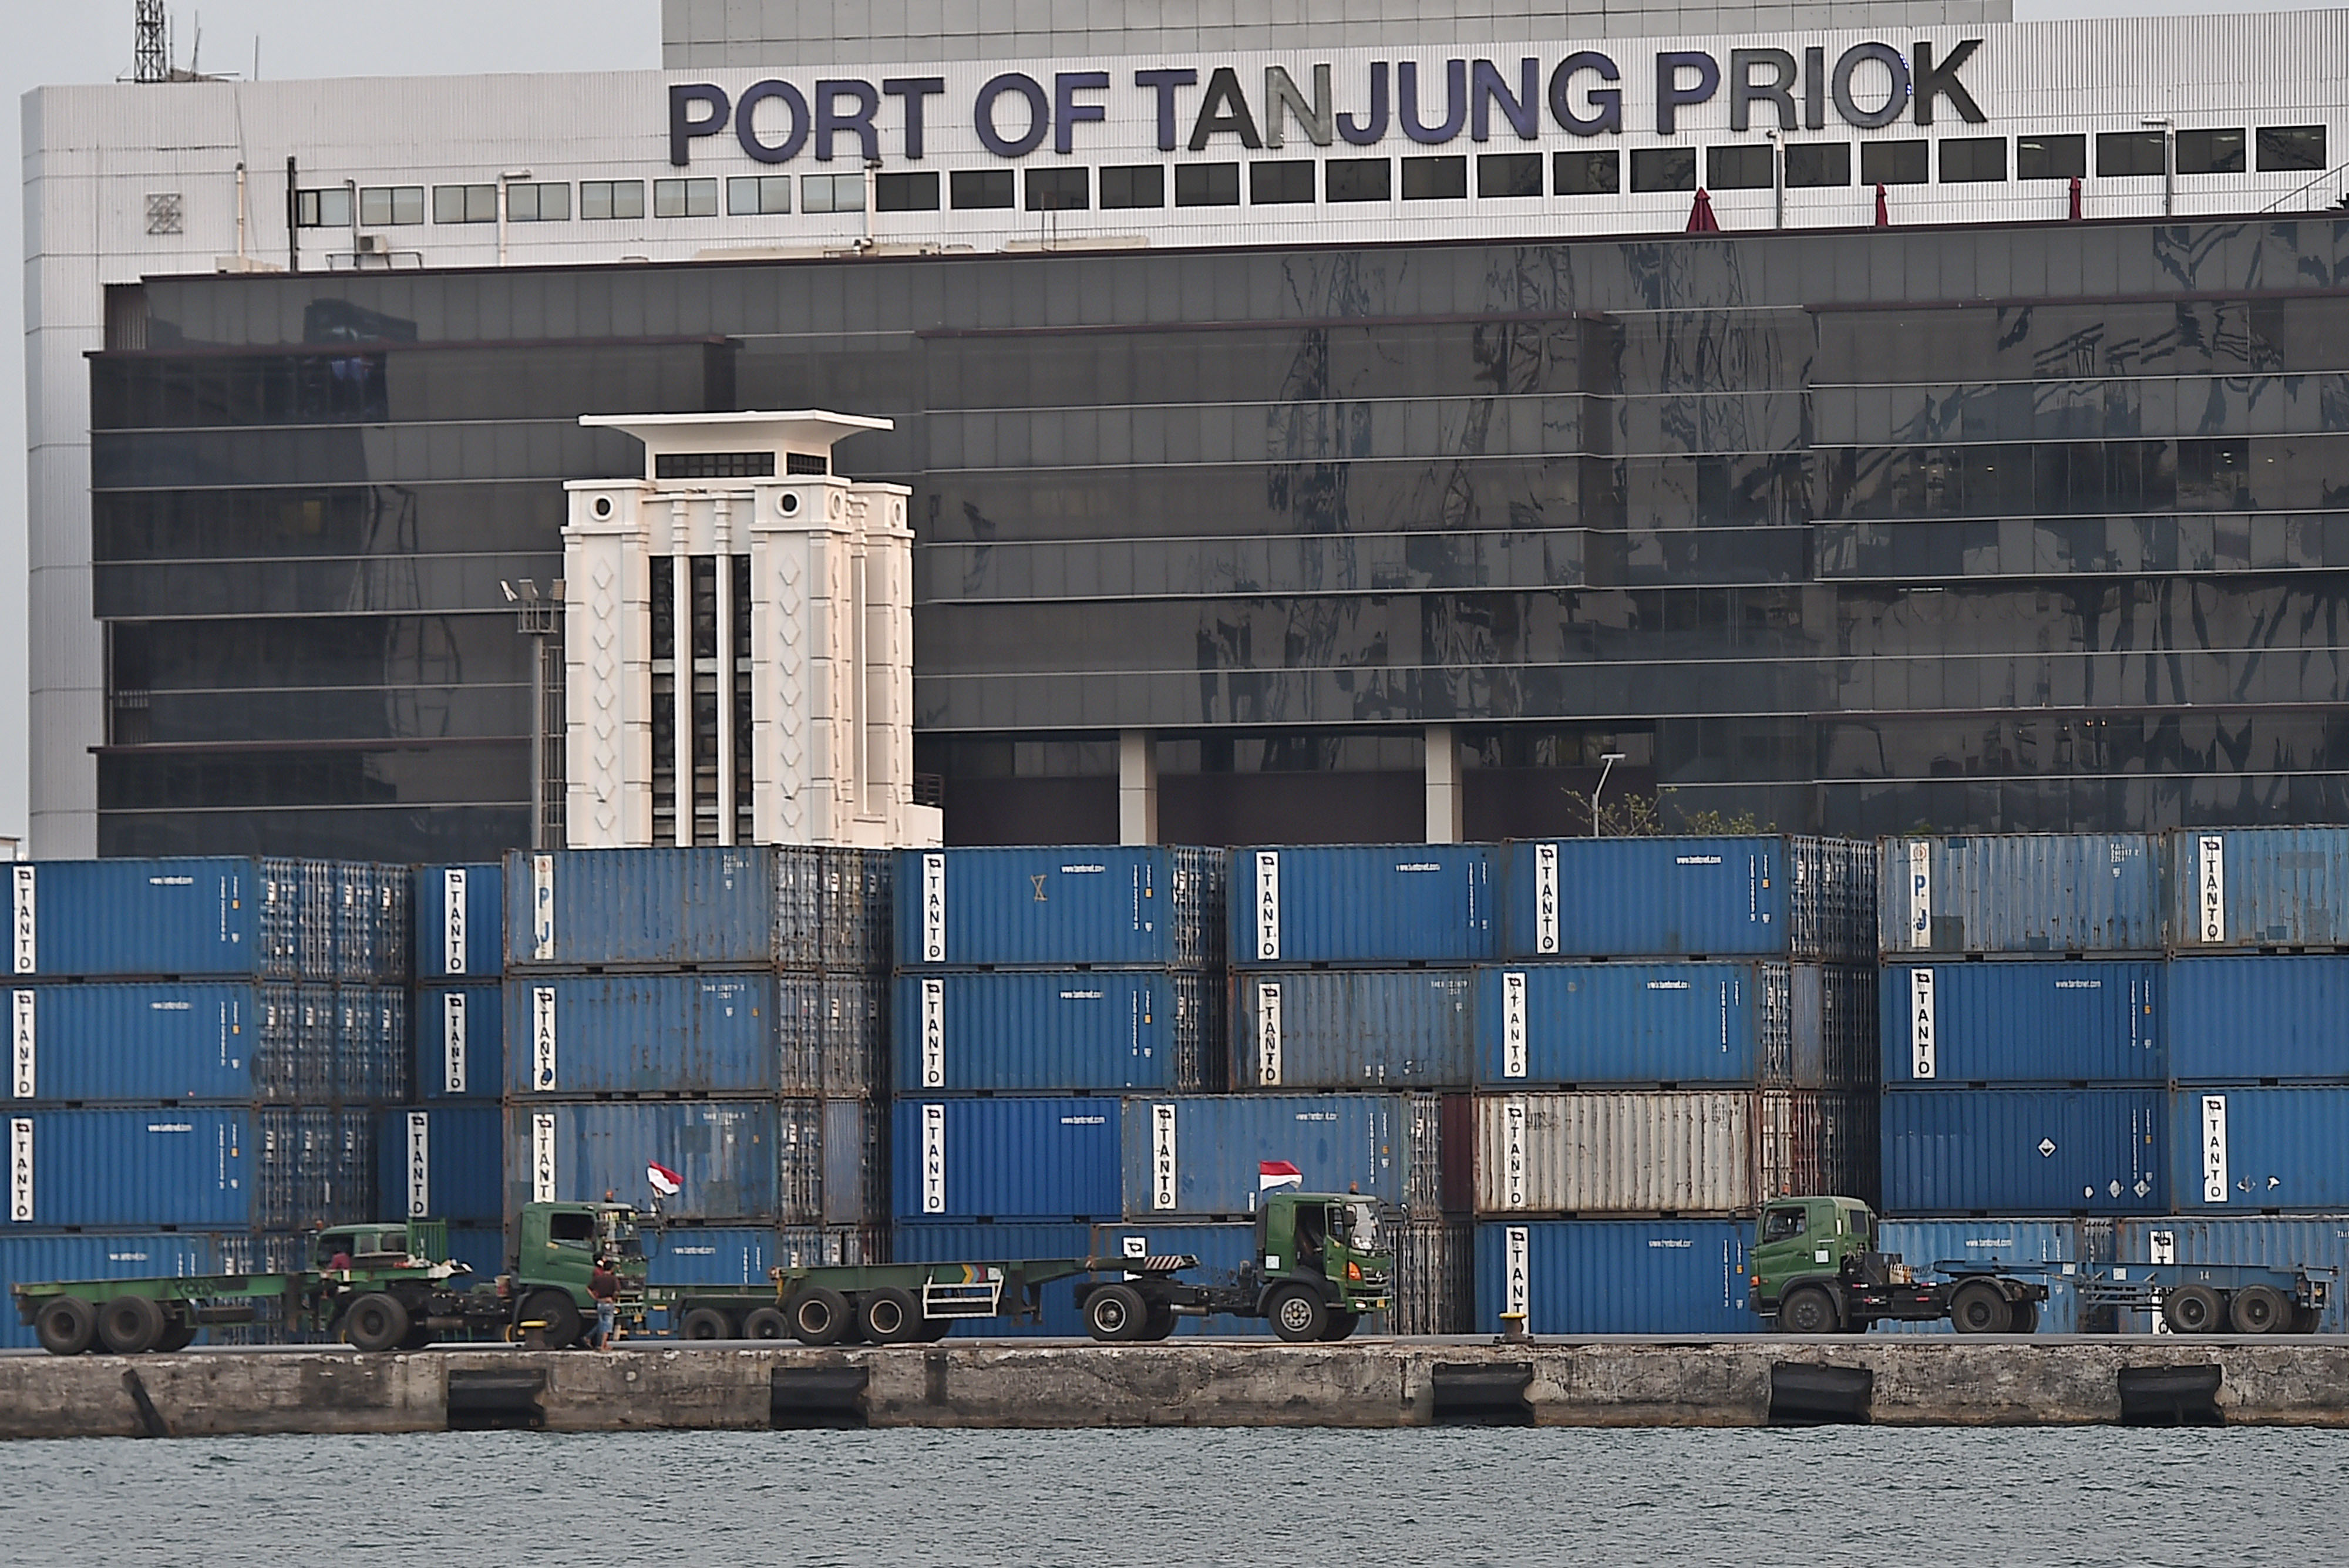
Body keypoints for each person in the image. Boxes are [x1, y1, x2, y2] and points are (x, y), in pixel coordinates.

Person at [588, 1254, 620, 1350]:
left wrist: (596, 1298)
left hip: (600, 1303)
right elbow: (617, 1291)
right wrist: (613, 1298)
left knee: (602, 1324)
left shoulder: (598, 1278)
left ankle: (602, 1344)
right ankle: (602, 1346)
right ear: (612, 1269)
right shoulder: (613, 1279)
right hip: (609, 1303)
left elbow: (588, 1289)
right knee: (607, 1326)